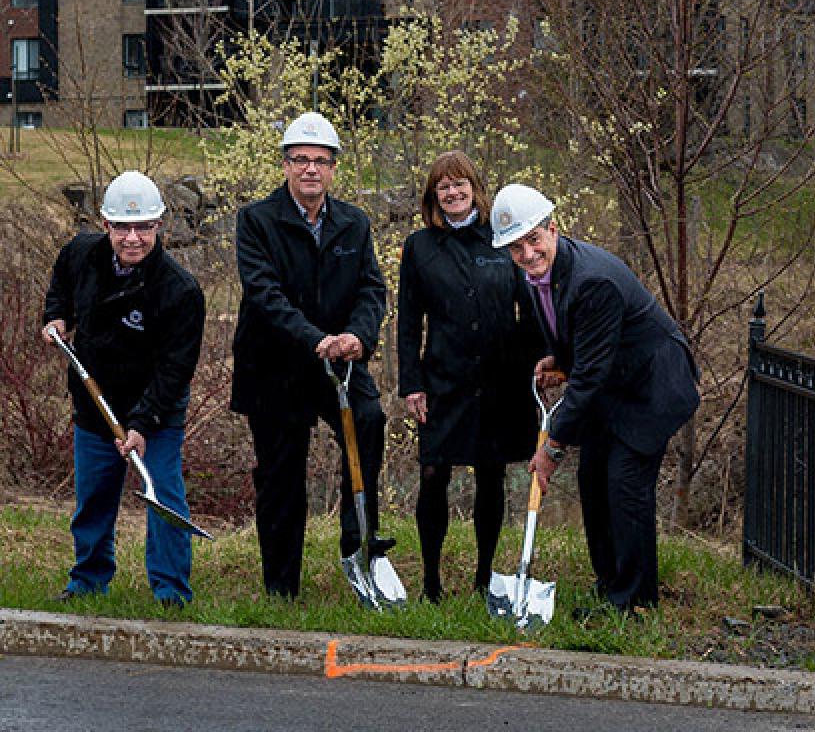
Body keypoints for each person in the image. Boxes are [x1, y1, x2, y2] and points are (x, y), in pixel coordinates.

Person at [490, 183, 701, 613]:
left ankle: (636, 604)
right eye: (515, 248)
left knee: (625, 486)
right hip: (614, 389)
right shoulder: (539, 276)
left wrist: (551, 448)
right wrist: (558, 360)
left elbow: (588, 378)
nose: (527, 255)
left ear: (553, 229)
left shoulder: (593, 281)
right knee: (593, 482)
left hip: (650, 387)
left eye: (533, 241)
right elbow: (582, 345)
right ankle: (610, 588)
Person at [231, 111, 392, 599]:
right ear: (284, 165)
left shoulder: (353, 223)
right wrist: (314, 338)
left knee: (368, 421)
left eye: (320, 161)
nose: (310, 170)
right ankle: (282, 589)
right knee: (281, 477)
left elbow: (371, 289)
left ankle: (359, 548)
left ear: (333, 168)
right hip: (275, 366)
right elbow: (265, 295)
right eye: (300, 159)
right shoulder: (256, 221)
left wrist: (358, 339)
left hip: (339, 362)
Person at [42, 170, 205, 608]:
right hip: (94, 405)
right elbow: (60, 284)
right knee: (93, 497)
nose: (132, 238)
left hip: (157, 412)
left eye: (144, 227)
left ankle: (171, 591)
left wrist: (142, 424)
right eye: (122, 227)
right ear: (106, 224)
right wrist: (57, 316)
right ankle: (89, 580)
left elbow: (175, 371)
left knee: (163, 497)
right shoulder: (80, 254)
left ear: (159, 226)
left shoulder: (180, 291)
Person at [396, 151, 540, 603]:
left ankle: (483, 578)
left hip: (501, 382)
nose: (453, 193)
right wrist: (411, 382)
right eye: (443, 186)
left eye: (460, 184)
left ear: (475, 188)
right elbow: (408, 321)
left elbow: (530, 308)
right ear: (433, 196)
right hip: (443, 380)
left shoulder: (502, 239)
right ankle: (431, 583)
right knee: (434, 474)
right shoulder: (420, 247)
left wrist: (542, 363)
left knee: (491, 477)